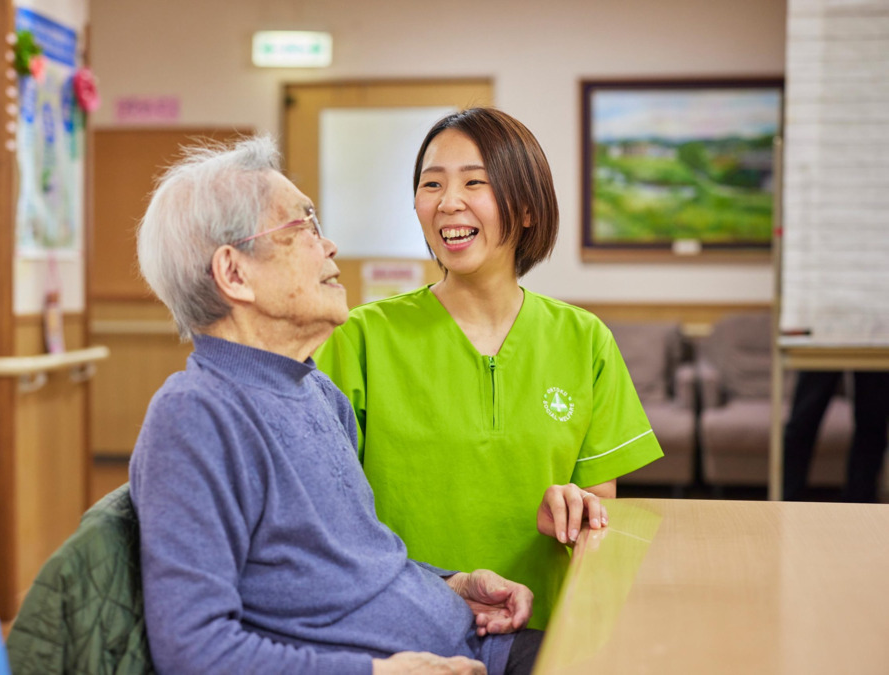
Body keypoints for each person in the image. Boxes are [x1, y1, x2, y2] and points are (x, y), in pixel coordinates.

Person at [131, 135, 543, 675]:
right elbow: (195, 651)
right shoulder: (196, 416)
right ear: (234, 273)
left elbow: (350, 567)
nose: (329, 246)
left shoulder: (316, 390)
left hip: (474, 640)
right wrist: (377, 673)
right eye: (301, 228)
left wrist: (452, 586)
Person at [315, 107, 664, 627]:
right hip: (404, 630)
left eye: (473, 182)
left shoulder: (584, 339)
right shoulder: (360, 337)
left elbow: (598, 512)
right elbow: (325, 511)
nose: (448, 202)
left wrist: (573, 505)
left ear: (526, 208)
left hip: (546, 632)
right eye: (431, 184)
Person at [783, 370, 889, 502]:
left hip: (875, 359)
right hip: (821, 357)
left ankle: (861, 504)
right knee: (803, 420)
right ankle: (788, 502)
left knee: (872, 422)